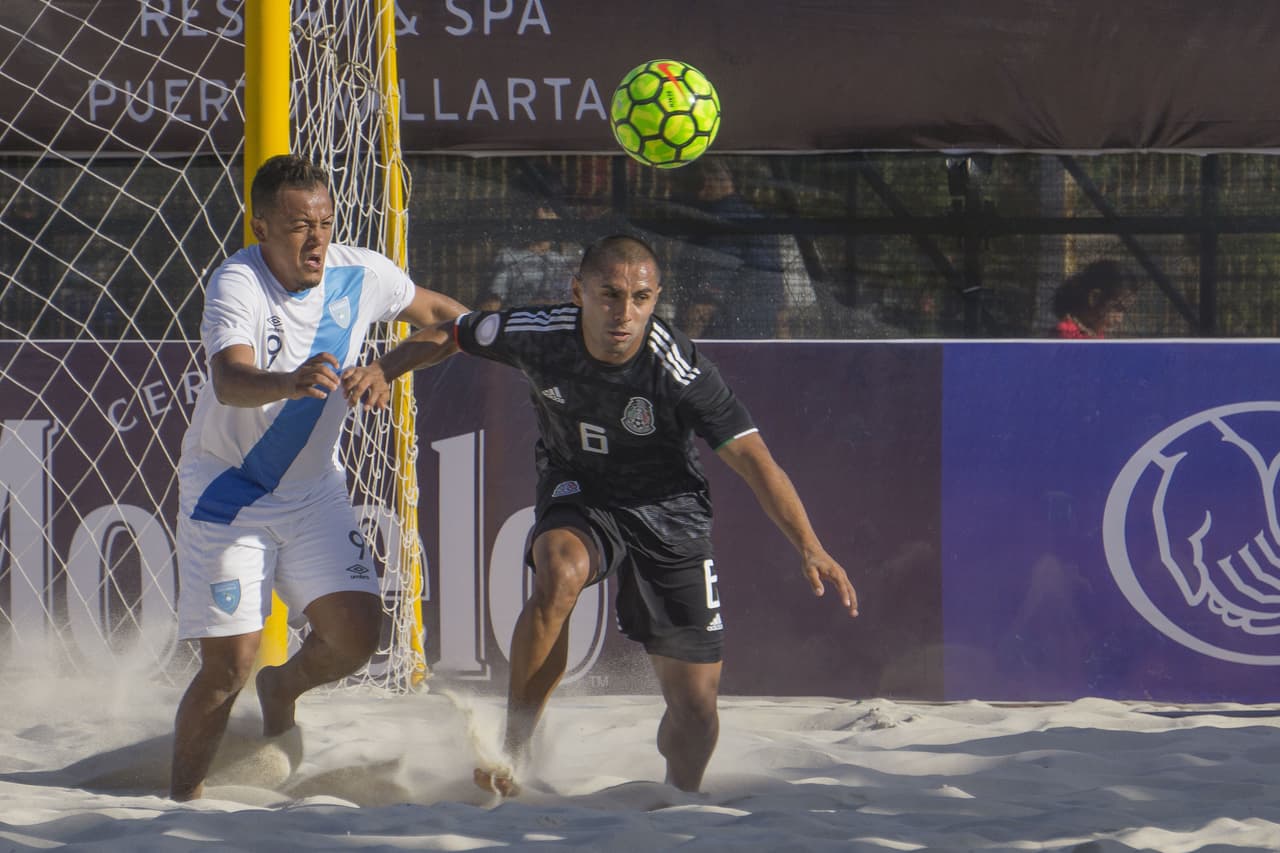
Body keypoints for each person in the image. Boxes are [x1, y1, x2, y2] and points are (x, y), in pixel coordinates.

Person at [349, 234, 859, 796]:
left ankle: (679, 796)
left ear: (655, 297)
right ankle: (514, 751)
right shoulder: (541, 333)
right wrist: (385, 368)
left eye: (640, 298)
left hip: (669, 510)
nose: (624, 313)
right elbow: (452, 331)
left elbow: (755, 461)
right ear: (579, 292)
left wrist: (810, 546)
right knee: (559, 570)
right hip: (581, 488)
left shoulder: (678, 368)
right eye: (610, 295)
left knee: (695, 711)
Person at [169, 154, 467, 801]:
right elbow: (229, 380)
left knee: (358, 638)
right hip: (231, 492)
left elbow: (454, 322)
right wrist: (290, 382)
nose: (317, 239)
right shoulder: (238, 281)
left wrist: (387, 367)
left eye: (325, 223)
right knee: (228, 667)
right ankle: (180, 805)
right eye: (300, 225)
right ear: (262, 227)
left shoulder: (361, 273)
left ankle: (283, 687)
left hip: (312, 491)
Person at [678, 158, 791, 339]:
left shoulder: (721, 222)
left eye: (698, 181)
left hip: (725, 331)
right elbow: (778, 290)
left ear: (717, 180)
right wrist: (784, 340)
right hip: (760, 332)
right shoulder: (757, 220)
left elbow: (711, 288)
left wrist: (687, 342)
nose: (697, 192)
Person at [1050, 260, 1134, 338]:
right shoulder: (1067, 334)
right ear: (1095, 298)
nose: (1120, 319)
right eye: (1117, 308)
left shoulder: (1094, 332)